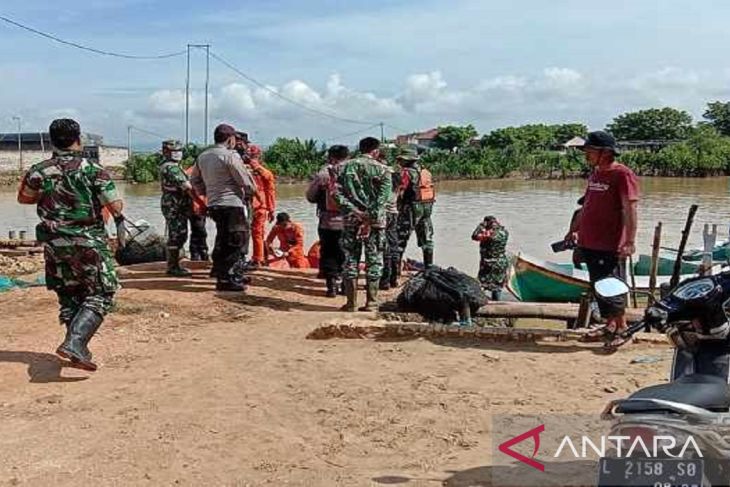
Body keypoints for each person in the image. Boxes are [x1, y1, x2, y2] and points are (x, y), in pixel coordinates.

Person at [17, 118, 124, 371]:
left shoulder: (39, 170)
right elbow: (116, 206)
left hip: (55, 245)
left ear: (52, 140)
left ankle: (76, 349)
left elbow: (24, 199)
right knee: (102, 293)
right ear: (79, 139)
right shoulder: (93, 169)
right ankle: (75, 342)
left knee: (69, 295)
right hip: (88, 242)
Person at [567, 130, 640, 346]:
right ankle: (610, 325)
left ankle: (622, 329)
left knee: (612, 285)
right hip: (590, 242)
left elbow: (630, 209)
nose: (586, 154)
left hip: (610, 243)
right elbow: (586, 206)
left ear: (605, 152)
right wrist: (574, 230)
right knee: (599, 286)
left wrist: (630, 240)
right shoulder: (596, 173)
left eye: (589, 150)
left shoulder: (622, 174)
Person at [190, 124, 257, 292]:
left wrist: (207, 192)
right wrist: (249, 192)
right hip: (232, 203)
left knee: (222, 238)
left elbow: (194, 181)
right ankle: (227, 279)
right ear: (230, 139)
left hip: (214, 204)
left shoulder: (203, 156)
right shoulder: (229, 156)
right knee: (235, 241)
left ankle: (222, 272)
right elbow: (246, 182)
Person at [333, 137, 391, 312]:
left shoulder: (342, 168)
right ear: (375, 151)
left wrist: (356, 212)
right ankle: (372, 302)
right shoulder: (384, 170)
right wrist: (369, 217)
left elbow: (336, 195)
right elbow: (382, 199)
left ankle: (351, 303)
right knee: (374, 260)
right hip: (375, 223)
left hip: (351, 221)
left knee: (350, 260)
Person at [306, 145, 348, 297]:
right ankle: (346, 286)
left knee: (329, 252)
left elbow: (310, 196)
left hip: (327, 221)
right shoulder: (355, 172)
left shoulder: (324, 174)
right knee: (347, 253)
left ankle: (331, 288)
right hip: (350, 221)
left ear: (331, 157)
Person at [158, 140, 195, 276]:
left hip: (174, 203)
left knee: (177, 233)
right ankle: (173, 266)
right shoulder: (171, 167)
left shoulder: (170, 166)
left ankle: (174, 264)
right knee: (177, 234)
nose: (177, 153)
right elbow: (187, 187)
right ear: (166, 152)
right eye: (174, 151)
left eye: (179, 151)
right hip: (174, 204)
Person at [396, 148, 435, 270]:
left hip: (411, 207)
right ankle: (429, 268)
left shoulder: (406, 173)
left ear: (407, 160)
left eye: (401, 160)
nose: (399, 162)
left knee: (400, 238)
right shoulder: (426, 172)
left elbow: (399, 191)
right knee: (427, 239)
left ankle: (395, 271)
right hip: (427, 208)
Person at [245, 144, 276, 267]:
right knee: (258, 233)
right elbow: (271, 191)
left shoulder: (243, 169)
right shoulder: (265, 173)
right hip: (260, 205)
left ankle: (257, 258)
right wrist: (272, 209)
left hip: (250, 204)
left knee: (253, 233)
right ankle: (259, 258)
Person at [376, 151, 401, 290]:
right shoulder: (395, 174)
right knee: (393, 245)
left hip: (383, 213)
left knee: (384, 248)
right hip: (394, 212)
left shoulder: (380, 175)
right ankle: (394, 279)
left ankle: (384, 281)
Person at [471, 216, 509, 300]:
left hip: (489, 263)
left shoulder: (489, 234)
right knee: (497, 286)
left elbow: (474, 236)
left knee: (482, 284)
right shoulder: (504, 232)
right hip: (501, 263)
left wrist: (480, 226)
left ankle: (480, 303)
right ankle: (497, 304)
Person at [184, 164, 209, 261]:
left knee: (197, 230)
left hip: (199, 205)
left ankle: (198, 253)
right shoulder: (196, 172)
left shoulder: (192, 171)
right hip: (196, 205)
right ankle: (199, 253)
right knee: (200, 230)